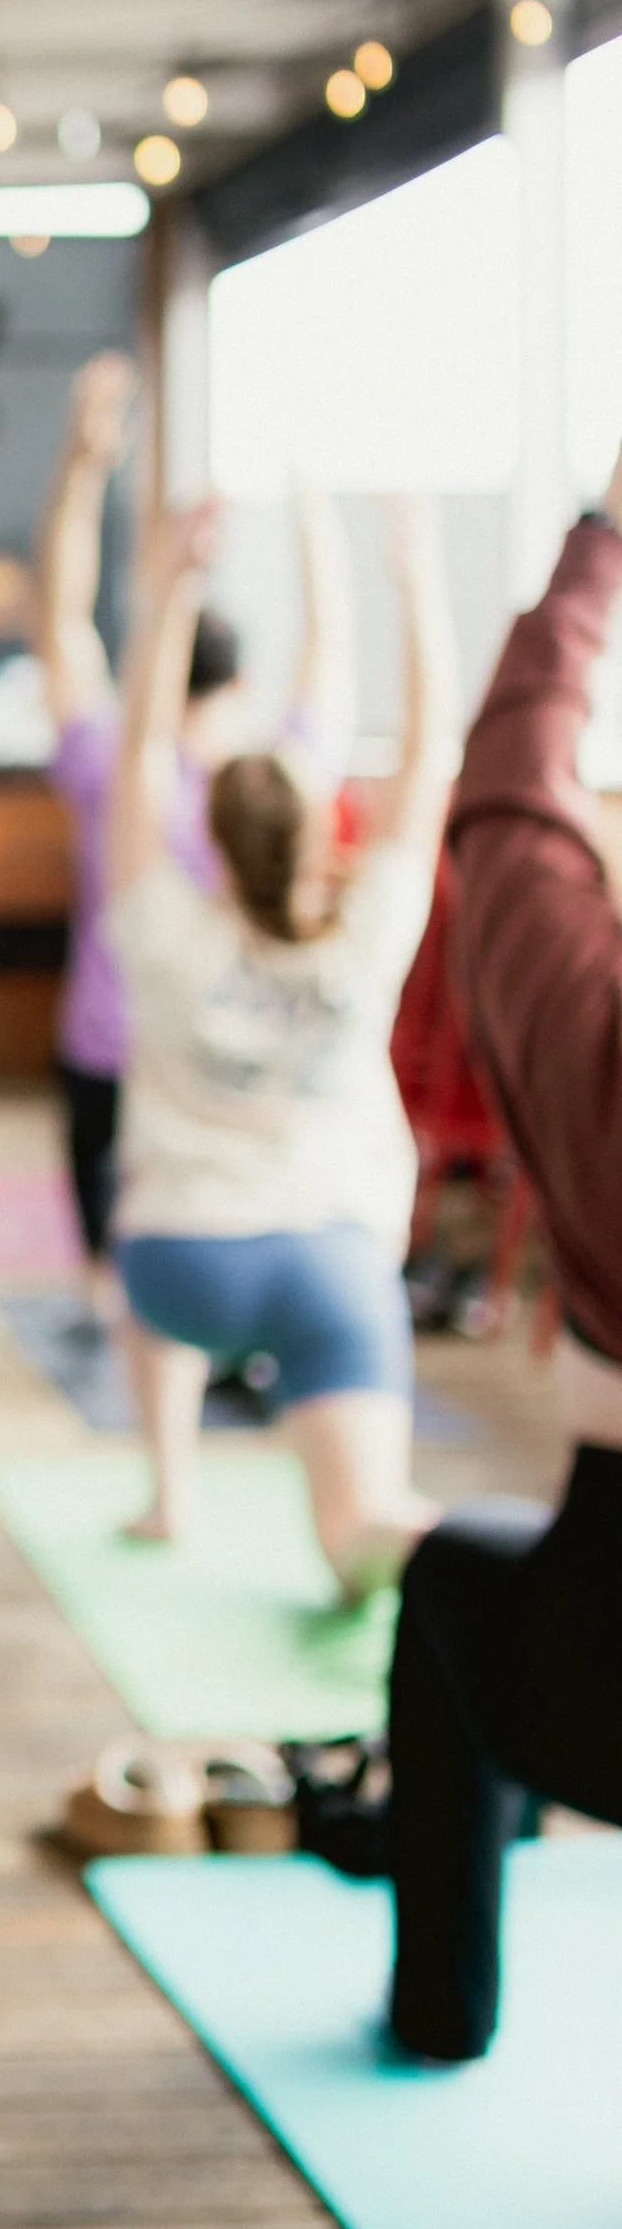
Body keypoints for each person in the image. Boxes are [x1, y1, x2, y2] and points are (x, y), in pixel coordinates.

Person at [106, 495, 456, 1590]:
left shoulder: (161, 926)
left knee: (147, 1258)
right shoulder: (368, 932)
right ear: (321, 834)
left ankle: (170, 1489)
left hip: (177, 1265)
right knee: (360, 1532)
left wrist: (172, 594)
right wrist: (416, 579)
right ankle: (435, 1551)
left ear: (209, 836)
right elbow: (433, 748)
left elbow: (134, 763)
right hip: (330, 1260)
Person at [388, 472, 622, 2059]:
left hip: (594, 1677)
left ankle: (442, 2009)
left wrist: (602, 541)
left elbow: (508, 799)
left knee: (452, 1580)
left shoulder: (596, 1053)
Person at [38, 360, 348, 1325]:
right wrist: (312, 505)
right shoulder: (281, 782)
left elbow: (58, 622)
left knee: (120, 1273)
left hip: (108, 1041)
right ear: (241, 682)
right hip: (234, 1048)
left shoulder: (115, 767)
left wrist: (84, 470)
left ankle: (124, 1315)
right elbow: (331, 651)